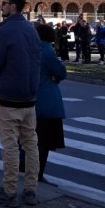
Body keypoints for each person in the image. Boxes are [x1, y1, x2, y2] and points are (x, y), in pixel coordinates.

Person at [0, 0, 41, 208]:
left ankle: (9, 191)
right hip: (29, 97)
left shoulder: (5, 30)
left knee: (10, 146)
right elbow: (38, 60)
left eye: (4, 3)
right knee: (31, 144)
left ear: (13, 7)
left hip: (9, 98)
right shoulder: (31, 29)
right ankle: (30, 190)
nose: (1, 6)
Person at [34, 23, 66, 184]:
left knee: (30, 139)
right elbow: (60, 71)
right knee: (43, 142)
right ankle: (37, 174)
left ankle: (26, 169)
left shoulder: (30, 48)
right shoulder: (47, 50)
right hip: (46, 101)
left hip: (30, 98)